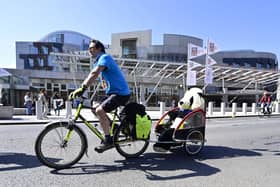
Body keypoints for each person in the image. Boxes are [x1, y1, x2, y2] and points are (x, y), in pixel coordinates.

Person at [69, 39, 130, 152]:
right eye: (88, 49)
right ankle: (114, 127)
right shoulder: (99, 61)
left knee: (99, 110)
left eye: (91, 48)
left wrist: (82, 88)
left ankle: (108, 140)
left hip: (121, 93)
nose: (89, 51)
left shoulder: (105, 58)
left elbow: (94, 73)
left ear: (99, 49)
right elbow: (98, 74)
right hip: (113, 93)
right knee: (94, 108)